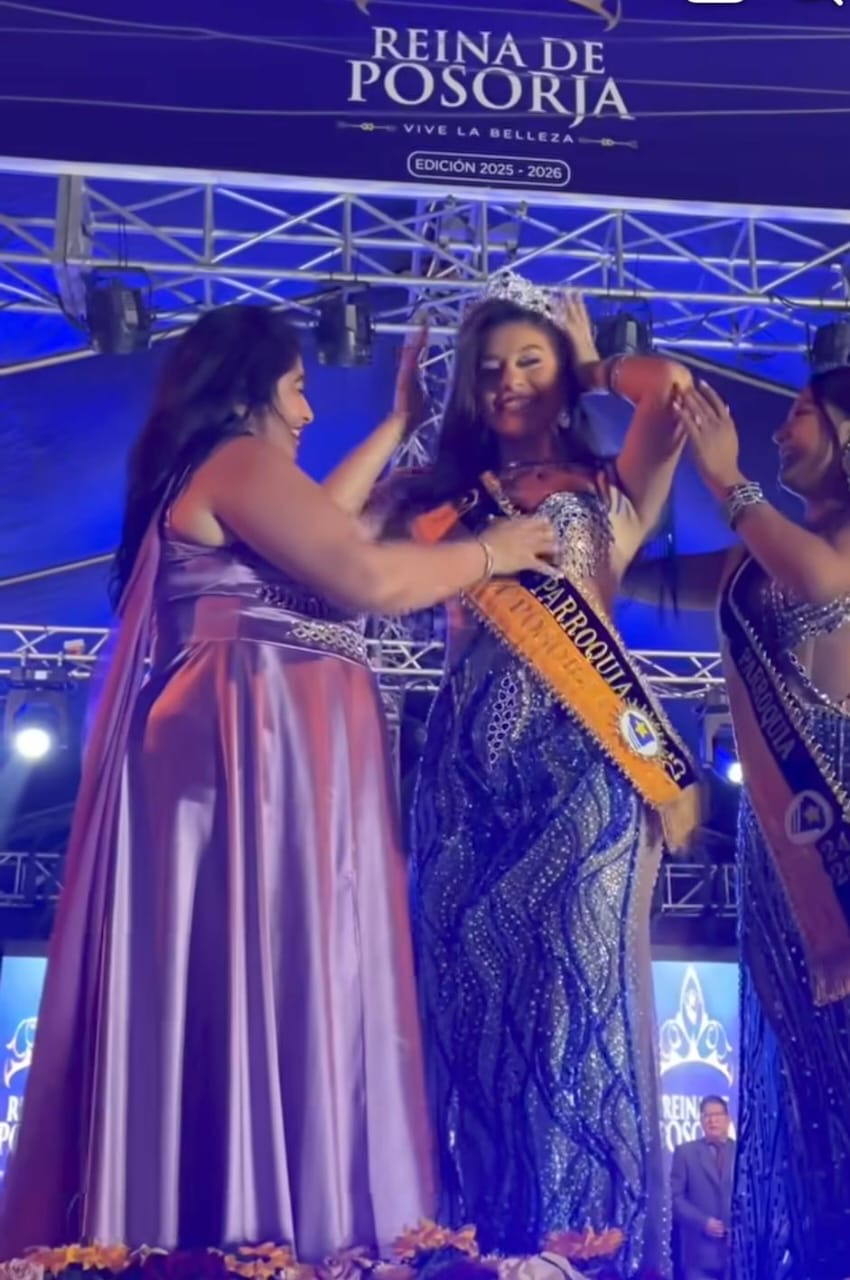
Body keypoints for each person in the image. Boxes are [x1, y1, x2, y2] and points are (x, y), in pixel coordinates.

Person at [0, 304, 558, 1264]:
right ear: (250, 388)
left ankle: (231, 1223)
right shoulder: (236, 460)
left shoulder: (227, 471)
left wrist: (396, 424)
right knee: (269, 976)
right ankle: (264, 1231)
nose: (306, 412)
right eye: (298, 389)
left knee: (252, 982)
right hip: (251, 744)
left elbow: (319, 526)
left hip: (256, 741)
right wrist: (491, 554)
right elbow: (365, 578)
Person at [366, 272, 701, 1270]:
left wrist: (593, 364)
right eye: (488, 368)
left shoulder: (611, 491)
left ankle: (586, 1249)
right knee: (469, 1013)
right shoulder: (437, 498)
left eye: (528, 361)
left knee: (573, 1005)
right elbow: (344, 556)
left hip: (590, 766)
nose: (507, 380)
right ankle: (480, 1246)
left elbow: (669, 388)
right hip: (467, 779)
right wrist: (401, 424)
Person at [626, 369, 850, 1280]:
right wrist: (605, 522)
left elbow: (824, 583)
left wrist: (725, 477)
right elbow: (650, 580)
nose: (781, 430)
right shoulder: (756, 557)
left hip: (834, 817)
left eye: (800, 415)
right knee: (800, 1073)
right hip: (773, 847)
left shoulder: (816, 547)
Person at [670, 1097, 734, 1280]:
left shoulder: (740, 1153)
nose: (712, 1120)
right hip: (699, 1256)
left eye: (717, 1115)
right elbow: (675, 1199)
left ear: (728, 1119)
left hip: (736, 1255)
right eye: (707, 1116)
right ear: (701, 1121)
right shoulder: (685, 1153)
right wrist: (703, 1222)